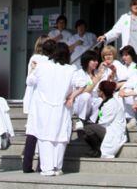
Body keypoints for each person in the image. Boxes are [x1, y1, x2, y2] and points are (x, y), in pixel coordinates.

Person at [26, 42, 83, 176]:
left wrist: (34, 69)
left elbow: (29, 81)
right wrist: (71, 97)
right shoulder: (71, 69)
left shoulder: (42, 67)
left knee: (45, 138)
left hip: (44, 108)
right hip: (62, 108)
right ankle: (57, 167)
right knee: (60, 137)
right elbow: (83, 84)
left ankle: (47, 168)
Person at [22, 38, 56, 173]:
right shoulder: (51, 63)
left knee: (32, 133)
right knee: (44, 135)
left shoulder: (36, 61)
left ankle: (27, 165)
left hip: (35, 100)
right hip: (46, 101)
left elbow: (29, 80)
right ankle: (42, 165)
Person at [80, 81, 127, 158]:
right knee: (85, 130)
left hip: (112, 132)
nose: (97, 91)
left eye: (98, 90)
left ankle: (98, 150)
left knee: (87, 128)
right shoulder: (105, 102)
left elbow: (103, 123)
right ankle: (95, 150)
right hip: (106, 129)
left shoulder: (111, 104)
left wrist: (86, 124)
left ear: (102, 92)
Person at [72, 50, 102, 130]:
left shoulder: (97, 73)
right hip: (80, 105)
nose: (96, 62)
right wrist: (95, 80)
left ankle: (92, 121)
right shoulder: (79, 73)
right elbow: (84, 91)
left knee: (100, 100)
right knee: (86, 96)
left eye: (97, 60)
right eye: (93, 60)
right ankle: (81, 120)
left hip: (92, 105)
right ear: (87, 61)